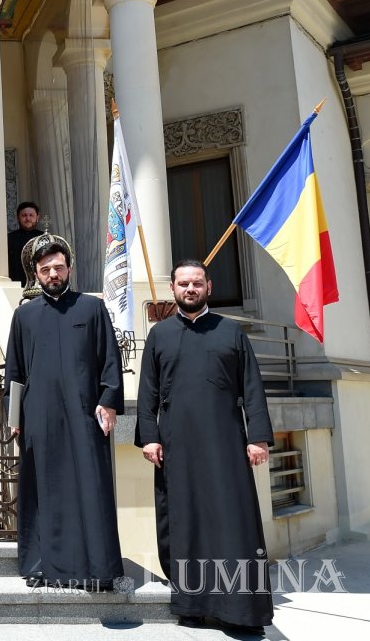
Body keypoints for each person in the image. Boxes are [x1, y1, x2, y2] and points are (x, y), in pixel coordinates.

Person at [136, 260, 274, 631]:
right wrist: (149, 437)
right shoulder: (159, 335)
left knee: (234, 523)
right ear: (173, 289)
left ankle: (243, 613)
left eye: (197, 282)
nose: (191, 289)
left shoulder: (232, 332)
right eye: (184, 283)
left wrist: (257, 437)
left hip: (226, 445)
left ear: (209, 287)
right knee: (185, 523)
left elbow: (252, 388)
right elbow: (146, 392)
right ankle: (193, 606)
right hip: (175, 448)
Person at [5, 236, 123, 589]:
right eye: (45, 270)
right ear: (36, 275)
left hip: (86, 415)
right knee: (44, 489)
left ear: (69, 268)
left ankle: (98, 569)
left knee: (90, 487)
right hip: (40, 418)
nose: (53, 274)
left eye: (58, 267)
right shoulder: (24, 316)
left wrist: (110, 400)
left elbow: (109, 362)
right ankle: (41, 565)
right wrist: (14, 420)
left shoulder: (91, 309)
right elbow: (15, 372)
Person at [7, 201, 42, 281]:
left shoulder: (44, 238)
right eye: (24, 215)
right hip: (16, 283)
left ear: (37, 217)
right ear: (18, 217)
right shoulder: (9, 238)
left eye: (31, 215)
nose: (28, 218)